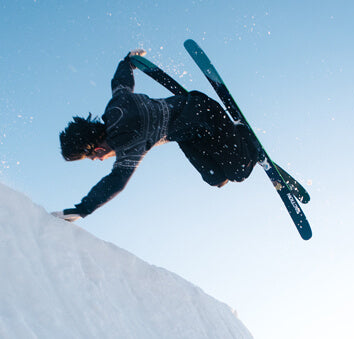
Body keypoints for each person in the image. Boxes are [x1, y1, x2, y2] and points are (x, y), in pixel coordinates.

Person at [54, 49, 260, 222]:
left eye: (94, 157)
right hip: (187, 131)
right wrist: (127, 61)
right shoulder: (115, 106)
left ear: (98, 149)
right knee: (216, 179)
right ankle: (232, 145)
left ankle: (243, 136)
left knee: (238, 173)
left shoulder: (128, 143)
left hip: (207, 115)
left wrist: (83, 209)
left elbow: (116, 180)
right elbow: (120, 82)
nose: (99, 159)